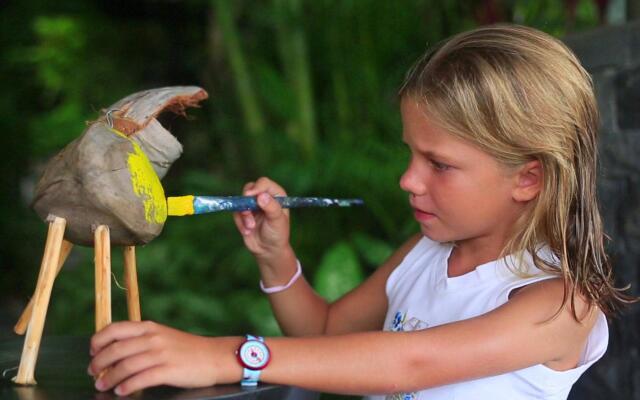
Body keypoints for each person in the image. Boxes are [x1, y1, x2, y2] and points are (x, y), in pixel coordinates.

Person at [88, 24, 634, 399]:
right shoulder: (425, 253)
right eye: (409, 153)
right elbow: (324, 335)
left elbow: (408, 362)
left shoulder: (561, 304)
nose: (408, 180)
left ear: (528, 177)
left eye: (438, 164)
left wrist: (230, 356)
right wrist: (277, 259)